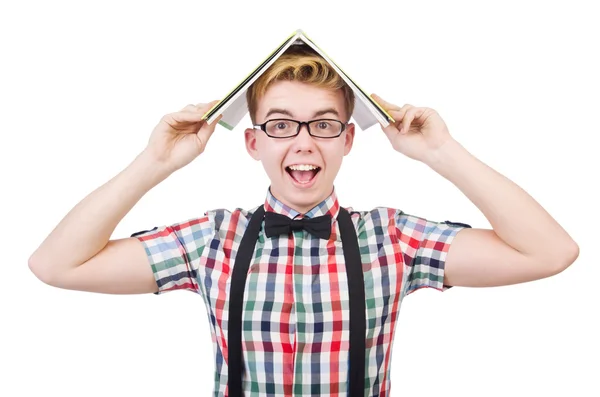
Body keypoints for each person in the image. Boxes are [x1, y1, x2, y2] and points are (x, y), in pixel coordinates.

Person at [28, 45, 579, 396]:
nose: (302, 142)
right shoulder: (213, 240)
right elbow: (55, 264)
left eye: (322, 125)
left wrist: (441, 152)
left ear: (346, 140)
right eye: (281, 125)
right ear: (253, 143)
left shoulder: (392, 237)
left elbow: (549, 253)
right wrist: (156, 162)